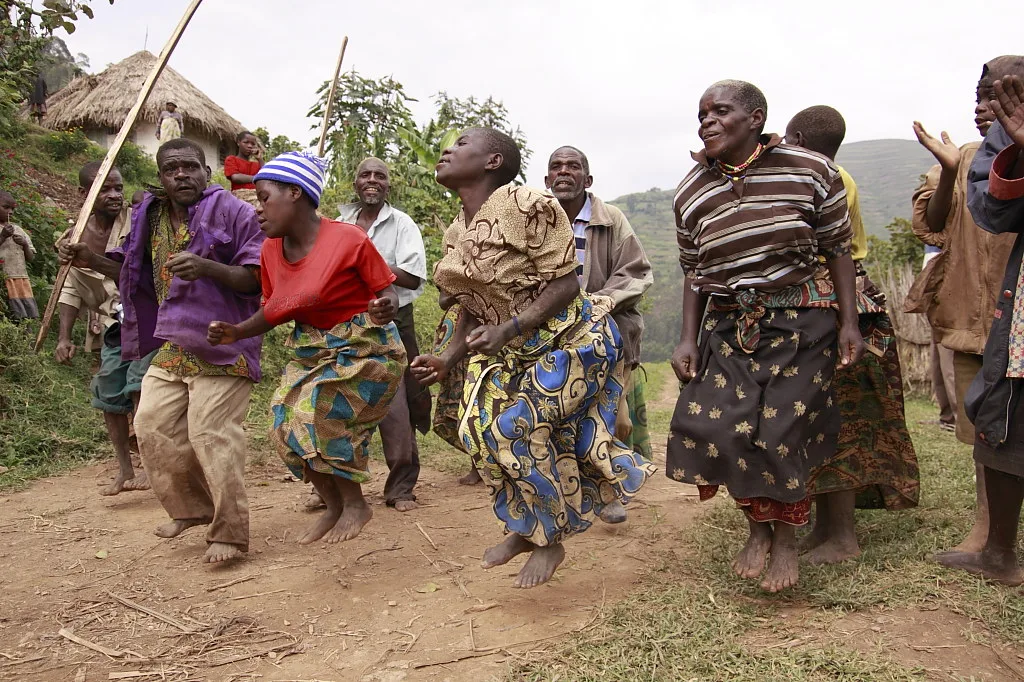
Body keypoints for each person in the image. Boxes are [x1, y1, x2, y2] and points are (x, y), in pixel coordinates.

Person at [410, 128, 655, 589]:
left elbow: (565, 285)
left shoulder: (529, 204)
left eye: (462, 144)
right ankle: (528, 525)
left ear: (492, 161)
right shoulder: (456, 230)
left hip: (571, 340)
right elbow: (470, 304)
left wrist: (508, 328)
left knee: (513, 428)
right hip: (512, 348)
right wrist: (447, 358)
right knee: (476, 431)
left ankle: (550, 539)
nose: (447, 150)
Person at [667, 80, 863, 593]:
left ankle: (787, 541)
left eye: (720, 111)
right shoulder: (691, 191)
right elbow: (694, 272)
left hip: (802, 321)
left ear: (755, 118)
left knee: (778, 433)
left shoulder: (810, 171)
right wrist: (687, 339)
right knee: (716, 428)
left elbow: (838, 249)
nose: (707, 121)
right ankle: (758, 529)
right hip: (729, 325)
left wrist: (849, 322)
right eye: (702, 114)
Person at [59, 138, 264, 564]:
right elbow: (131, 271)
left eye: (190, 167)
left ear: (207, 171)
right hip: (175, 343)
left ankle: (229, 532)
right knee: (150, 423)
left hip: (225, 341)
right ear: (161, 177)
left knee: (210, 432)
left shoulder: (236, 211)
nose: (181, 175)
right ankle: (192, 509)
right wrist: (90, 259)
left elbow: (257, 278)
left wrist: (207, 268)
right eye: (171, 169)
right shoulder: (149, 216)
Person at [208, 152, 405, 544]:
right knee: (283, 423)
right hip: (313, 350)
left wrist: (385, 306)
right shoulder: (269, 251)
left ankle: (356, 505)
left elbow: (388, 293)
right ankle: (332, 505)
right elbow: (275, 309)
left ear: (295, 194)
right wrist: (236, 331)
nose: (257, 209)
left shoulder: (349, 239)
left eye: (264, 198)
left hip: (366, 349)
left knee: (315, 412)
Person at [784, 105, 919, 564]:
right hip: (836, 300)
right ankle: (826, 528)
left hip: (837, 305)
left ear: (799, 140)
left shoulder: (824, 179)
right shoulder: (832, 175)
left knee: (840, 419)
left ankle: (842, 537)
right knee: (822, 417)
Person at [909, 56, 1024, 553]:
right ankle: (986, 529)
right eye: (979, 98)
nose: (983, 108)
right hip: (970, 322)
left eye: (996, 97)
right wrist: (950, 170)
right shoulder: (966, 161)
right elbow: (932, 227)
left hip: (1015, 318)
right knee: (984, 433)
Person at [540, 144, 655, 524]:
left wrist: (598, 303)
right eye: (557, 166)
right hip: (551, 336)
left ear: (587, 179)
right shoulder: (536, 219)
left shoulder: (611, 219)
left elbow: (635, 271)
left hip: (608, 332)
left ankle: (609, 490)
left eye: (573, 166)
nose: (564, 171)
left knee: (612, 418)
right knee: (557, 415)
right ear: (546, 179)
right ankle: (565, 491)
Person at [332, 157, 430, 512]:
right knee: (339, 402)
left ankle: (401, 488)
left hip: (393, 320)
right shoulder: (339, 224)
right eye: (365, 175)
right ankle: (332, 485)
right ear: (355, 183)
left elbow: (413, 277)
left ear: (389, 184)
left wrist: (365, 263)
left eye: (380, 176)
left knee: (396, 405)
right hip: (345, 322)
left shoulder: (402, 223)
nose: (372, 180)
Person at [55, 162, 150, 495]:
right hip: (114, 325)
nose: (114, 195)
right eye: (104, 189)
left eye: (118, 188)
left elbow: (134, 273)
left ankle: (151, 466)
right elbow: (69, 289)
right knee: (108, 393)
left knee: (139, 386)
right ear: (85, 193)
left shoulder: (137, 222)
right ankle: (124, 469)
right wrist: (64, 337)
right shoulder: (71, 239)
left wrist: (93, 260)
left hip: (146, 317)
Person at [0, 190, 39, 320]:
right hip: (4, 278)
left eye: (12, 209)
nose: (10, 212)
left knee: (25, 316)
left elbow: (31, 258)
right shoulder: (4, 231)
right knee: (8, 313)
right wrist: (2, 237)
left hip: (21, 279)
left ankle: (26, 333)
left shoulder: (18, 230)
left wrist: (25, 245)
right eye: (6, 207)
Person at [224, 131, 263, 207]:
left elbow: (266, 177)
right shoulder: (231, 159)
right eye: (246, 142)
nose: (250, 146)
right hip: (239, 197)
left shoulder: (256, 164)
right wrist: (257, 178)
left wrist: (260, 159)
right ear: (238, 142)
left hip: (256, 196)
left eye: (253, 144)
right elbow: (235, 177)